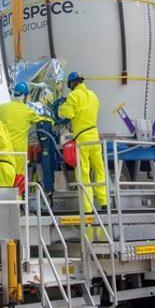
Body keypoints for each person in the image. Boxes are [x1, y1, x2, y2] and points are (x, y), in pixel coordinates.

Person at [57, 72, 107, 213]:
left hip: (82, 138)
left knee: (84, 172)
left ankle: (88, 207)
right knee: (99, 169)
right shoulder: (93, 95)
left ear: (72, 83)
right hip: (95, 136)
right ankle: (104, 202)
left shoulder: (73, 96)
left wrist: (61, 109)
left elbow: (67, 114)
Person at [0, 82, 46, 181]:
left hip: (2, 152)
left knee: (4, 181)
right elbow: (43, 121)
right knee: (18, 182)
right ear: (24, 96)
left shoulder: (1, 108)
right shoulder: (27, 111)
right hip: (19, 154)